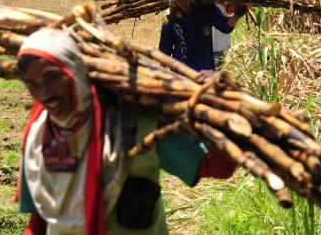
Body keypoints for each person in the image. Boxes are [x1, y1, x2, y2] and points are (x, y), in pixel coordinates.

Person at [15, 28, 237, 234]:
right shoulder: (40, 133)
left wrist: (222, 108)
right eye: (32, 84)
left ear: (75, 69)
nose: (45, 93)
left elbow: (217, 166)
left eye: (53, 77)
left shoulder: (139, 121)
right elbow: (38, 219)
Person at [158, 0, 247, 71]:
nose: (182, 2)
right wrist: (158, 75)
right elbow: (165, 51)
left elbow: (225, 27)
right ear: (173, 0)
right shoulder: (169, 19)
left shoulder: (207, 9)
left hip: (205, 73)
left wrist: (236, 16)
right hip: (181, 74)